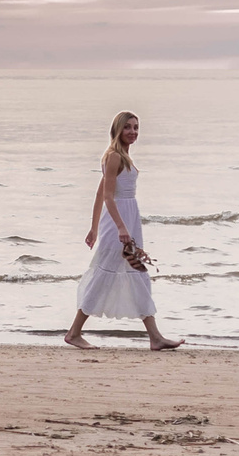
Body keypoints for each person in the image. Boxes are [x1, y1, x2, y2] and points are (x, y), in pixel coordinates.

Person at [64, 110, 184, 351]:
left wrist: (94, 227)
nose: (133, 132)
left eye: (136, 127)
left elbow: (100, 194)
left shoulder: (122, 157)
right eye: (128, 127)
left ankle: (155, 337)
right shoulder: (114, 157)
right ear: (117, 130)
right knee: (104, 276)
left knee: (137, 273)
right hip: (118, 225)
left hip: (128, 221)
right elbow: (107, 196)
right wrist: (118, 227)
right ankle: (74, 333)